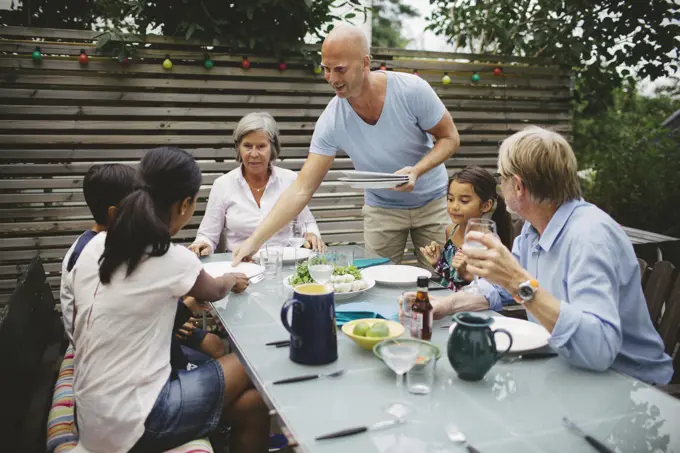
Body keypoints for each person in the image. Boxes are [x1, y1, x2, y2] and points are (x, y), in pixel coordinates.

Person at [407, 126, 674, 385]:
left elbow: (599, 349)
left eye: (502, 178)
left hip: (629, 385)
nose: (501, 186)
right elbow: (498, 289)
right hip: (565, 366)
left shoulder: (589, 236)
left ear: (519, 186)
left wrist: (519, 283)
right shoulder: (533, 231)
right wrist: (446, 305)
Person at [70, 147, 269, 453]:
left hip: (92, 416)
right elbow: (215, 291)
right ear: (185, 204)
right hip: (139, 423)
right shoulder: (170, 257)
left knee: (252, 404)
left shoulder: (96, 245)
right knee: (254, 363)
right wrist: (231, 278)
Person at [231, 25, 460, 268]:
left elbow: (450, 138)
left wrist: (417, 170)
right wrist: (254, 241)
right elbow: (301, 189)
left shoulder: (411, 91)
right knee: (377, 283)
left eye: (340, 69)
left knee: (445, 279)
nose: (332, 78)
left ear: (364, 63)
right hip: (382, 208)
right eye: (326, 69)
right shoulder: (332, 120)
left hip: (433, 201)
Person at [189, 112, 324, 256]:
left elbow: (307, 223)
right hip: (240, 265)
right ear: (238, 148)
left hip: (285, 263)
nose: (253, 154)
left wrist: (311, 234)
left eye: (261, 146)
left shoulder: (289, 179)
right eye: (247, 146)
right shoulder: (223, 185)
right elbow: (208, 236)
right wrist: (203, 245)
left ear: (272, 147)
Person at [60, 164, 137, 346]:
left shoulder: (95, 243)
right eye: (137, 205)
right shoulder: (99, 253)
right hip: (104, 354)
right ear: (114, 213)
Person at [419, 165, 513, 291]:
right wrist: (437, 262)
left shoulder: (487, 240)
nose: (454, 206)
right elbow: (450, 277)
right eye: (450, 199)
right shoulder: (451, 230)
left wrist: (467, 275)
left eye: (464, 201)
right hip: (445, 299)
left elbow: (491, 286)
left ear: (485, 206)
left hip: (470, 304)